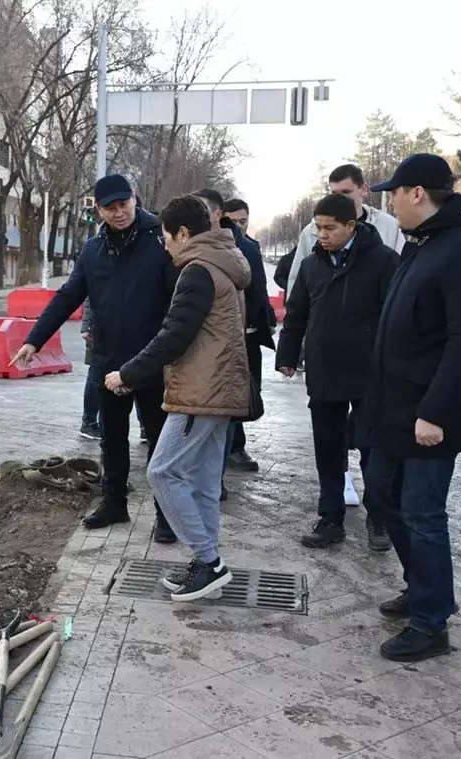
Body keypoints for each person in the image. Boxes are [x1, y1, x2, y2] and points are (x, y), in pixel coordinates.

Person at [359, 154, 461, 662]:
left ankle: (431, 620)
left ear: (417, 192)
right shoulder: (424, 244)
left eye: (392, 192)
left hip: (430, 415)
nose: (388, 200)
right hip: (393, 408)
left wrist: (435, 412)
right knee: (380, 492)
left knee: (421, 512)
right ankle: (422, 586)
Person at [12, 175, 179, 535]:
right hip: (107, 360)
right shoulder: (93, 248)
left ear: (135, 199)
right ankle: (113, 504)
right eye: (110, 208)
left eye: (124, 205)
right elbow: (67, 296)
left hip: (152, 360)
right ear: (98, 209)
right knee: (112, 439)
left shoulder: (160, 240)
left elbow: (178, 301)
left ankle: (167, 515)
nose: (118, 213)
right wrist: (34, 340)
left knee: (159, 441)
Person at [108, 195, 251, 601]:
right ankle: (208, 565)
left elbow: (174, 335)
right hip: (220, 389)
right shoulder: (225, 262)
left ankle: (209, 561)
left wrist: (127, 374)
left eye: (167, 239)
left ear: (184, 234)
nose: (166, 247)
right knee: (204, 482)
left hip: (201, 392)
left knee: (162, 472)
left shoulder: (198, 271)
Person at [275, 193, 398, 552]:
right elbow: (296, 313)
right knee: (328, 448)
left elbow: (396, 318)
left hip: (370, 375)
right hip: (325, 370)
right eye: (318, 228)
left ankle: (380, 517)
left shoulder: (383, 262)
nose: (322, 235)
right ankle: (331, 517)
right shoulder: (314, 265)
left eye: (330, 228)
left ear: (351, 226)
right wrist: (287, 354)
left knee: (373, 449)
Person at [286, 164, 405, 300]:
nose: (340, 199)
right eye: (335, 193)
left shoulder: (388, 226)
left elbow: (401, 276)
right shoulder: (311, 231)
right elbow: (296, 282)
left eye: (346, 192)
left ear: (363, 190)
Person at [218, 195, 275, 474]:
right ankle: (229, 448)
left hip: (247, 333)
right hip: (223, 333)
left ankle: (236, 446)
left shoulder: (250, 248)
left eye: (244, 221)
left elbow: (258, 292)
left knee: (244, 390)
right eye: (234, 221)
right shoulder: (218, 246)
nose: (239, 226)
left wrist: (248, 324)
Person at [80, 300, 102, 439]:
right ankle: (89, 422)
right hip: (99, 328)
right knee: (96, 374)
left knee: (139, 373)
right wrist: (87, 326)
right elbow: (92, 295)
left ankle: (144, 426)